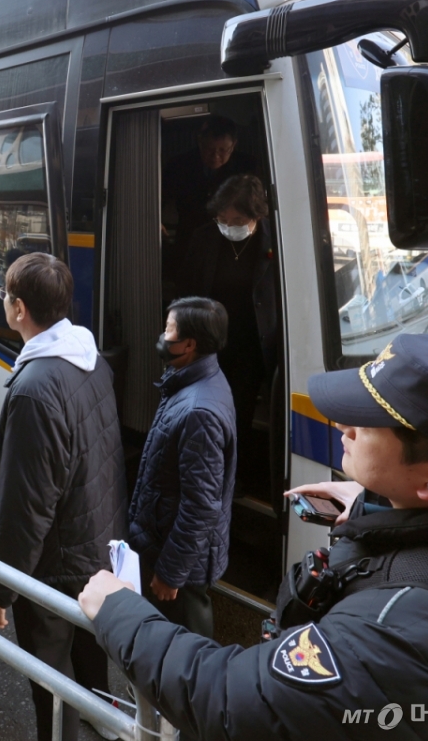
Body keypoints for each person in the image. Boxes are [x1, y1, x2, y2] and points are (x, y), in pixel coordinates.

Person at [80, 334, 428, 740]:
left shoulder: (394, 640)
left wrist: (120, 612)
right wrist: (380, 506)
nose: (344, 427)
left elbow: (229, 699)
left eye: (365, 426)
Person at [0, 252, 126, 741]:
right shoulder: (89, 358)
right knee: (90, 650)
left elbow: (25, 505)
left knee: (50, 676)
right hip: (96, 538)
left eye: (5, 295)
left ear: (18, 309)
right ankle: (103, 718)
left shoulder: (34, 389)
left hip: (55, 561)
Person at [127, 297, 235, 638]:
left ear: (189, 344)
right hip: (175, 549)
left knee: (182, 652)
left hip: (180, 565)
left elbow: (200, 505)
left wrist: (170, 572)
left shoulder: (198, 411)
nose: (162, 335)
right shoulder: (199, 380)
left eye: (168, 329)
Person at [181, 174, 276, 498]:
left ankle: (233, 479)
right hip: (210, 343)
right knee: (204, 410)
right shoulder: (204, 239)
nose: (228, 225)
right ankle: (203, 473)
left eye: (237, 220)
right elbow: (188, 291)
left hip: (250, 344)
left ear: (256, 216)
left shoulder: (272, 242)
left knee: (239, 412)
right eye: (223, 218)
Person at [162, 115, 256, 270]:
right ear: (199, 142)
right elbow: (160, 195)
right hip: (190, 237)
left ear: (233, 145)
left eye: (223, 150)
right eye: (209, 149)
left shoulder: (247, 166)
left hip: (230, 239)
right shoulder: (178, 165)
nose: (215, 156)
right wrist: (155, 220)